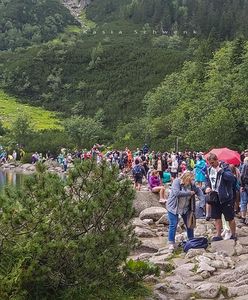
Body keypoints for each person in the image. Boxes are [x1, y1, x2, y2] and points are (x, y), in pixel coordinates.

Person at [166, 171, 205, 252]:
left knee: (189, 224)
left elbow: (199, 192)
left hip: (186, 208)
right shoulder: (177, 182)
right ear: (186, 178)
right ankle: (171, 243)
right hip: (173, 207)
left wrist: (202, 203)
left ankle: (191, 240)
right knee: (173, 224)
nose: (193, 181)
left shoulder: (192, 184)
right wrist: (189, 193)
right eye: (191, 179)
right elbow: (176, 193)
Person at [205, 153, 237, 241]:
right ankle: (218, 234)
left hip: (226, 197)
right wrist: (207, 187)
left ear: (216, 160)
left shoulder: (225, 168)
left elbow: (232, 179)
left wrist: (221, 171)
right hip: (214, 196)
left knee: (230, 217)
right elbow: (208, 180)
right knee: (216, 217)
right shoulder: (209, 169)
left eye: (212, 163)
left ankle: (233, 234)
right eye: (209, 163)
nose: (211, 165)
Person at [240, 157, 248, 224]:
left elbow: (242, 176)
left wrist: (242, 185)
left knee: (243, 202)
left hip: (245, 186)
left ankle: (243, 217)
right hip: (245, 186)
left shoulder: (245, 165)